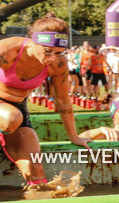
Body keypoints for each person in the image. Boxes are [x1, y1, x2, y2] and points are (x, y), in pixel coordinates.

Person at [0, 15, 90, 187]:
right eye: (48, 51)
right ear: (34, 42)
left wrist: (74, 137)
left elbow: (63, 100)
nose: (53, 57)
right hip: (8, 112)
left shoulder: (58, 64)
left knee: (36, 170)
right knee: (11, 117)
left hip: (18, 111)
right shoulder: (7, 50)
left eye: (59, 52)